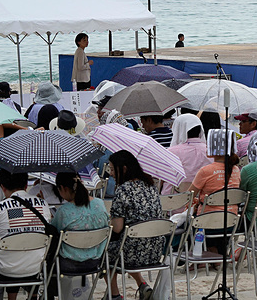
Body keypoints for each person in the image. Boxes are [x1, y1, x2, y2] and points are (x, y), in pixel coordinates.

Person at [106, 150, 164, 300]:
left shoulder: (123, 190)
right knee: (128, 242)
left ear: (123, 169)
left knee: (103, 252)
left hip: (132, 252)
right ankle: (142, 284)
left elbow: (117, 228)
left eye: (112, 169)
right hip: (155, 250)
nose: (111, 173)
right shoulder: (151, 186)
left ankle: (115, 295)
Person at [0, 170, 52, 300]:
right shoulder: (43, 204)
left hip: (5, 270)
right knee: (22, 253)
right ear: (25, 185)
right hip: (35, 267)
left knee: (8, 256)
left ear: (2, 187)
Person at [51, 172, 110, 273]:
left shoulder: (64, 211)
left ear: (63, 188)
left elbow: (53, 233)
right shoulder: (99, 204)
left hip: (68, 263)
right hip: (95, 261)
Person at [164, 113, 212, 194]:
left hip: (173, 202)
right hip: (202, 201)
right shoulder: (211, 152)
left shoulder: (171, 152)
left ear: (178, 129)